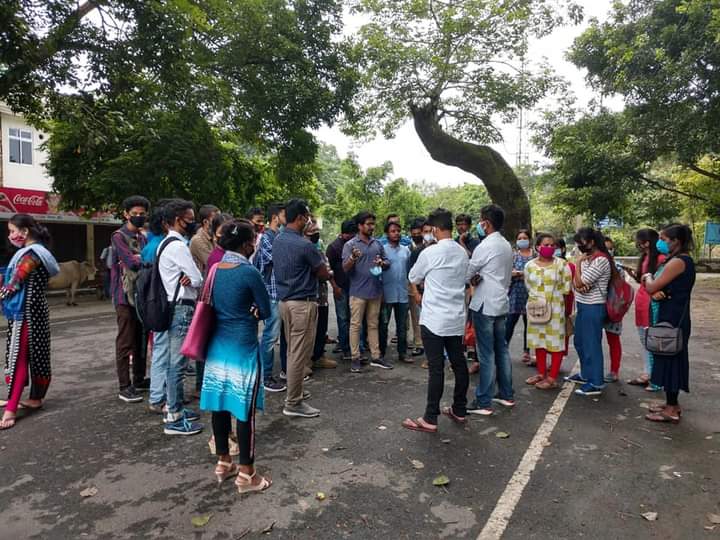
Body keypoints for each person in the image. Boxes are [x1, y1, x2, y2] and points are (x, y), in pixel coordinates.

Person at [200, 220, 272, 493]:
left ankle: (223, 462)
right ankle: (247, 474)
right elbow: (265, 310)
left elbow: (208, 305)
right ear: (245, 245)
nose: (254, 244)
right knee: (245, 412)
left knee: (219, 406)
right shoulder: (249, 272)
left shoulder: (215, 270)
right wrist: (254, 309)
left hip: (217, 348)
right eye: (252, 240)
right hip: (243, 348)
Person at [402, 208, 469, 433]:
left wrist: (419, 293)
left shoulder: (430, 253)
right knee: (459, 364)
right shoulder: (462, 252)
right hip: (456, 318)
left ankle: (430, 418)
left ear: (436, 229)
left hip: (434, 319)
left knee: (436, 368)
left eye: (430, 230)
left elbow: (413, 277)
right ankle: (460, 409)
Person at [0, 215, 59, 430]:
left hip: (25, 313)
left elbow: (13, 284)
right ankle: (35, 398)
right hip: (37, 310)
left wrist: (2, 291)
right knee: (38, 356)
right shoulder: (41, 253)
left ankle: (11, 410)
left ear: (25, 232)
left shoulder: (31, 255)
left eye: (12, 230)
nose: (10, 236)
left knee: (19, 358)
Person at [273, 199, 330, 418]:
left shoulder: (277, 240)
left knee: (291, 350)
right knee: (298, 354)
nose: (309, 222)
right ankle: (293, 402)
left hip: (285, 302)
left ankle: (295, 392)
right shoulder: (305, 245)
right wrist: (327, 273)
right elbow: (323, 273)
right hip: (302, 304)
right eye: (307, 217)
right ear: (300, 218)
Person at [152, 199, 204, 435]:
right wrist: (191, 277)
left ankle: (176, 409)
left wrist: (190, 276)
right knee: (178, 365)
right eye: (188, 220)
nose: (191, 223)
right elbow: (197, 279)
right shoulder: (178, 246)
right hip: (182, 307)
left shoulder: (166, 244)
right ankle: (174, 415)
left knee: (176, 362)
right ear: (174, 221)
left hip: (175, 306)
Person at [641, 224, 696, 424]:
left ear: (676, 241)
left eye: (664, 239)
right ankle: (671, 403)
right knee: (666, 357)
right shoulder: (676, 260)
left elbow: (653, 285)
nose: (661, 243)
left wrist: (647, 277)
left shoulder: (680, 261)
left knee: (672, 358)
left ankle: (671, 409)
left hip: (674, 317)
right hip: (670, 313)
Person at [466, 205, 514, 415]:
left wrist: (471, 277)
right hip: (501, 301)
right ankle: (506, 394)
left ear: (486, 222)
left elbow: (469, 271)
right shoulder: (505, 245)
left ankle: (483, 401)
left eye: (481, 221)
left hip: (485, 303)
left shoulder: (485, 246)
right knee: (501, 350)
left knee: (486, 354)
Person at [566, 227, 614, 397]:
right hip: (583, 304)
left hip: (594, 306)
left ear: (592, 242)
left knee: (592, 344)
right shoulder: (589, 258)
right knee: (580, 341)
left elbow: (580, 283)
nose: (579, 245)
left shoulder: (600, 260)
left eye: (581, 242)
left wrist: (578, 265)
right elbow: (578, 284)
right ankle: (585, 374)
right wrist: (580, 281)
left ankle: (596, 381)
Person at [111, 196, 150, 403]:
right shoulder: (118, 236)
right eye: (134, 213)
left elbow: (143, 259)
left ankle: (139, 379)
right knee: (125, 340)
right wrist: (141, 258)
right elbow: (131, 262)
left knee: (140, 339)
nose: (138, 217)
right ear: (126, 214)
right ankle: (124, 386)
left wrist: (140, 258)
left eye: (142, 214)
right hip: (123, 296)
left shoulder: (143, 237)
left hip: (140, 294)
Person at [342, 211, 391, 373]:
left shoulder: (377, 244)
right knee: (355, 326)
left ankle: (376, 356)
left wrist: (382, 263)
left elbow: (387, 263)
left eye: (373, 224)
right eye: (368, 224)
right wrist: (353, 258)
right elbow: (345, 268)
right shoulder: (350, 245)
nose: (372, 227)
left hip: (375, 291)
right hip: (357, 292)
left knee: (373, 325)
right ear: (360, 226)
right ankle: (355, 358)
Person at [523, 233, 572, 390]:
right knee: (538, 341)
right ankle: (541, 373)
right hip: (536, 306)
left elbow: (566, 288)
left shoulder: (562, 265)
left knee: (556, 342)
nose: (550, 248)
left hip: (556, 308)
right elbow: (528, 285)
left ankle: (551, 378)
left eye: (553, 245)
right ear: (538, 247)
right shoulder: (529, 265)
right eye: (546, 244)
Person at [253, 204, 288, 393]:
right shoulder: (266, 238)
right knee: (269, 336)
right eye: (283, 214)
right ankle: (265, 376)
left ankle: (274, 372)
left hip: (280, 292)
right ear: (275, 217)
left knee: (278, 335)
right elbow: (278, 260)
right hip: (271, 293)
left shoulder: (279, 236)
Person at [626, 228, 665, 391]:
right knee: (644, 340)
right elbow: (643, 279)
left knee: (652, 340)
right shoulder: (646, 258)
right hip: (642, 301)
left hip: (651, 303)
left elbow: (657, 282)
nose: (637, 244)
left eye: (639, 240)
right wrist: (634, 274)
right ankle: (647, 373)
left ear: (646, 242)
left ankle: (656, 378)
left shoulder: (662, 259)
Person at [307, 220, 337, 370]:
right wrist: (326, 273)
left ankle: (319, 356)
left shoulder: (318, 250)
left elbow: (326, 269)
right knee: (309, 332)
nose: (316, 235)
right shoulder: (305, 250)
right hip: (310, 297)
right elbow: (323, 272)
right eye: (312, 232)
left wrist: (327, 273)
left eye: (316, 232)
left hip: (322, 296)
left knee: (321, 329)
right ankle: (308, 361)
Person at [379, 221, 412, 363]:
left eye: (398, 231)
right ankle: (381, 353)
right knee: (383, 325)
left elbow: (410, 271)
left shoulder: (406, 250)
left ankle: (402, 353)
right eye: (393, 231)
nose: (396, 233)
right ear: (387, 233)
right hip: (386, 294)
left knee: (402, 327)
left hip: (403, 294)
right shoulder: (382, 250)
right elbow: (377, 271)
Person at [326, 220, 358, 362]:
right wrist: (335, 287)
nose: (352, 237)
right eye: (350, 235)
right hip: (340, 287)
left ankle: (355, 346)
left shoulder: (354, 245)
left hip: (355, 287)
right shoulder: (333, 247)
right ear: (344, 234)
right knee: (343, 318)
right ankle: (345, 347)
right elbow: (328, 271)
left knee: (354, 319)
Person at [506, 229, 533, 365]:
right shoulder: (514, 256)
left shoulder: (535, 256)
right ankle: (503, 349)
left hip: (531, 294)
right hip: (515, 293)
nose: (522, 240)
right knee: (510, 322)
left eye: (525, 237)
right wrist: (516, 274)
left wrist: (525, 274)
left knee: (529, 324)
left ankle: (527, 352)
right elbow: (507, 272)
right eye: (520, 238)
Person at [602, 236, 625, 383]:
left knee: (613, 340)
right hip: (597, 306)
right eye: (606, 248)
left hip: (613, 309)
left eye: (611, 248)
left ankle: (614, 370)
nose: (609, 251)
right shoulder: (593, 264)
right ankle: (594, 370)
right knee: (593, 340)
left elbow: (620, 290)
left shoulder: (618, 268)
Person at [407, 218, 428, 358]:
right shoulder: (409, 248)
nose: (416, 235)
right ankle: (418, 343)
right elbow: (410, 272)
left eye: (419, 232)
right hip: (413, 286)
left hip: (429, 287)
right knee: (416, 317)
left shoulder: (431, 247)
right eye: (413, 233)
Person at [190, 204, 220, 275]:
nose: (219, 222)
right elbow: (214, 263)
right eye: (216, 220)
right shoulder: (197, 240)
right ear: (205, 222)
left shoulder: (213, 236)